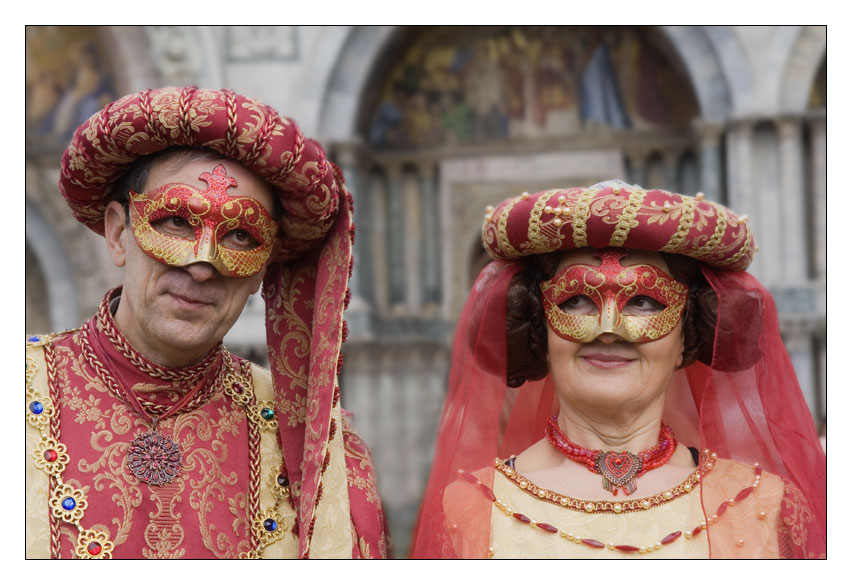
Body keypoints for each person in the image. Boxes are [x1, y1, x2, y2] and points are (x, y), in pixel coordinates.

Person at [26, 87, 389, 559]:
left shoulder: (310, 440)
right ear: (119, 233)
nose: (203, 263)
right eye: (176, 222)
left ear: (264, 268)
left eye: (240, 235)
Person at [409, 180, 826, 558]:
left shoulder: (765, 507)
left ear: (688, 333)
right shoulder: (468, 511)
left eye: (644, 301)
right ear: (541, 326)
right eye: (577, 300)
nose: (608, 329)